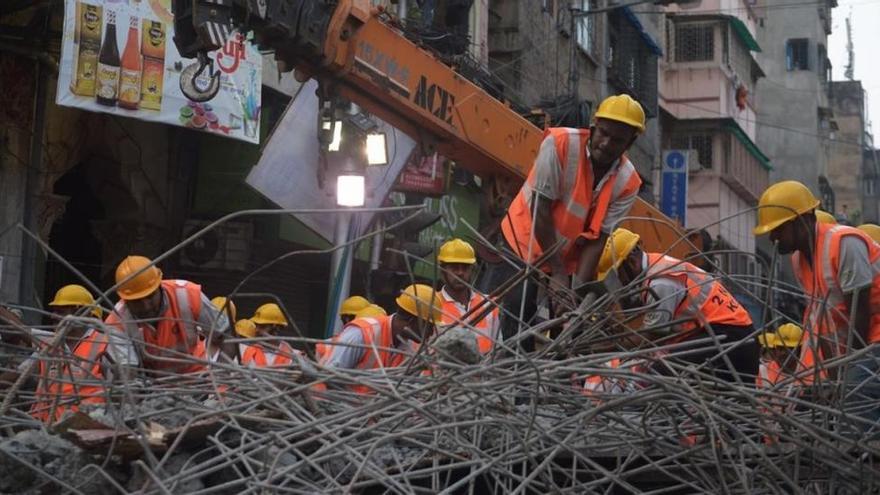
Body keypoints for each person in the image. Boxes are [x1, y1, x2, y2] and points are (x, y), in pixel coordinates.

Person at [498, 94, 645, 345]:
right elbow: (541, 210)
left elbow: (599, 238)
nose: (606, 144)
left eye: (617, 140)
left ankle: (560, 377)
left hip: (567, 261)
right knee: (519, 311)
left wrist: (575, 290)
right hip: (525, 240)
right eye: (603, 134)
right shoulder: (560, 144)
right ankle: (514, 372)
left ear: (629, 142)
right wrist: (556, 273)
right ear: (593, 127)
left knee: (568, 331)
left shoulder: (628, 182)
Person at [754, 181, 880, 433]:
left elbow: (860, 311)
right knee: (833, 402)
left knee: (857, 399)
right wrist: (834, 375)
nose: (773, 237)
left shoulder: (845, 243)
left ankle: (866, 464)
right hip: (863, 341)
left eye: (779, 229)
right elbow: (822, 318)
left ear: (804, 220)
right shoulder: (799, 259)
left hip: (872, 337)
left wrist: (850, 371)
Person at [596, 228, 759, 383]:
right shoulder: (657, 264)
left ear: (631, 263)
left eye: (618, 275)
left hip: (730, 340)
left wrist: (601, 350)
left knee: (658, 374)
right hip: (733, 338)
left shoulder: (660, 282)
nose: (621, 283)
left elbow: (651, 335)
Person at [2, 285, 135, 424]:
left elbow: (125, 385)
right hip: (41, 426)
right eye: (54, 311)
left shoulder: (106, 344)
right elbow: (19, 370)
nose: (53, 316)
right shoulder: (50, 343)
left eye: (61, 311)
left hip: (80, 430)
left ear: (83, 313)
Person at [105, 256, 229, 375]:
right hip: (151, 388)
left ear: (160, 286)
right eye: (137, 301)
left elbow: (227, 335)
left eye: (150, 297)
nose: (146, 306)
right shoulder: (117, 322)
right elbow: (127, 373)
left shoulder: (187, 295)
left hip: (196, 380)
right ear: (125, 300)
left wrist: (220, 378)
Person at [319, 284, 442, 393]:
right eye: (430, 326)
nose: (432, 332)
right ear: (412, 321)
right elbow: (328, 377)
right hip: (341, 411)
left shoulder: (413, 349)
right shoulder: (362, 333)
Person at [436, 238, 499, 354]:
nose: (460, 273)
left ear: (472, 270)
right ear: (442, 271)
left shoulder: (489, 305)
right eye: (454, 267)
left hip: (484, 371)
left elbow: (498, 351)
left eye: (465, 267)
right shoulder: (431, 305)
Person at [239, 303, 300, 368]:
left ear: (276, 327)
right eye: (256, 325)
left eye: (262, 326)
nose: (256, 330)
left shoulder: (294, 358)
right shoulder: (245, 351)